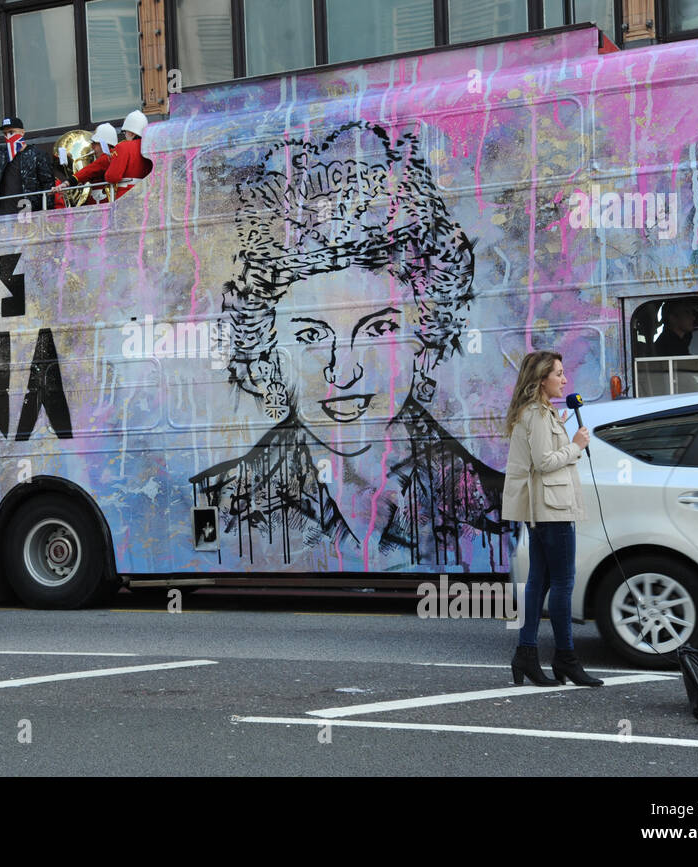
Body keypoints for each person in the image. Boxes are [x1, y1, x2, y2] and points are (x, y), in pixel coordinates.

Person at [190, 122, 507, 572]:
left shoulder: (489, 501)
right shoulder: (223, 503)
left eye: (378, 330)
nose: (344, 372)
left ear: (426, 342)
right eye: (310, 336)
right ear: (268, 354)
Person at [500, 350, 601, 687]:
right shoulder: (538, 415)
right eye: (558, 373)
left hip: (544, 508)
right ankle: (566, 658)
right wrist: (575, 445)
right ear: (541, 379)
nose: (565, 379)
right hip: (552, 509)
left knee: (540, 582)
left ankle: (527, 654)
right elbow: (544, 462)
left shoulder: (537, 413)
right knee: (562, 582)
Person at [104, 110, 152, 200]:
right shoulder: (150, 146)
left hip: (126, 195)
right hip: (147, 195)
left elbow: (112, 176)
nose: (125, 134)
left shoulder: (123, 146)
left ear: (132, 133)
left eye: (125, 131)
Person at [67, 123, 118, 204]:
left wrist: (69, 182)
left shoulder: (108, 157)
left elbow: (91, 169)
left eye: (95, 143)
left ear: (104, 144)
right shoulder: (108, 157)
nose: (92, 146)